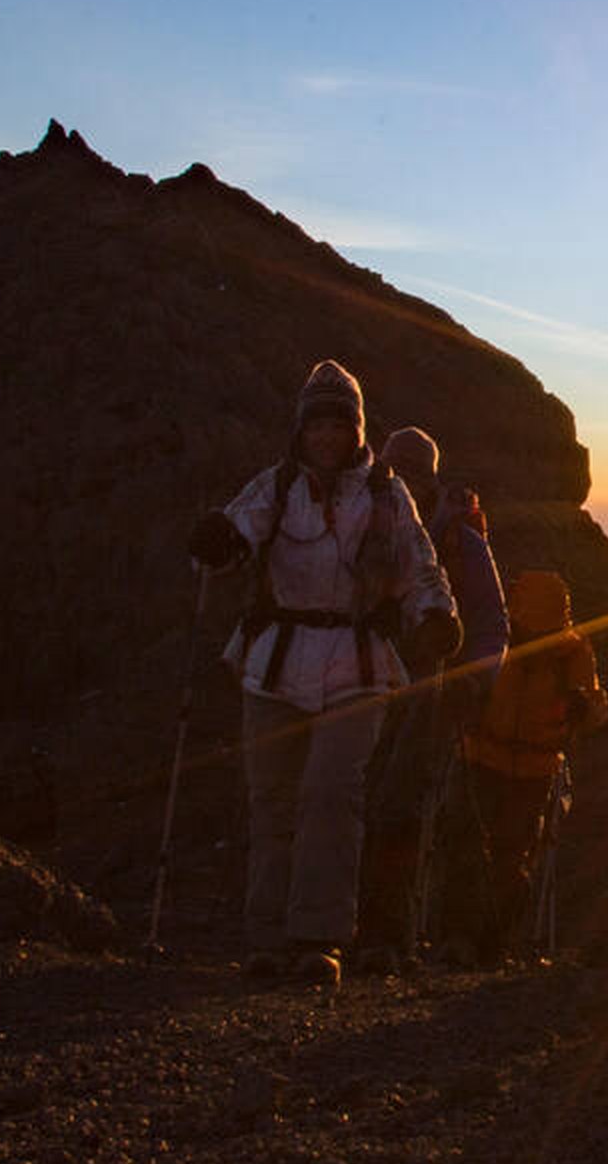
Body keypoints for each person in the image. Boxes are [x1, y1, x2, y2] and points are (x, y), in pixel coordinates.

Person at [187, 360, 459, 984]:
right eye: (318, 426)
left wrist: (436, 616)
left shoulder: (387, 494)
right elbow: (239, 530)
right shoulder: (275, 488)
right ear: (301, 431)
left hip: (354, 665)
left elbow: (421, 567)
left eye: (339, 425)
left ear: (356, 430)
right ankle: (267, 940)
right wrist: (220, 541)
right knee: (275, 799)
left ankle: (319, 938)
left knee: (331, 797)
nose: (328, 437)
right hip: (279, 663)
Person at [350, 425, 508, 974]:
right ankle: (357, 931)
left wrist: (472, 680)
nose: (405, 480)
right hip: (363, 684)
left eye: (415, 471)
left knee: (399, 810)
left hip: (431, 693)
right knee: (361, 804)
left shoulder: (460, 542)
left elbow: (490, 623)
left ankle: (384, 939)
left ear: (431, 478)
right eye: (397, 469)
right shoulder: (367, 520)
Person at [442, 569, 604, 964]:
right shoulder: (560, 651)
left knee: (496, 854)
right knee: (492, 853)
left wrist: (585, 708)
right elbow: (596, 711)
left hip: (517, 764)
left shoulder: (520, 644)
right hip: (501, 759)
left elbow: (596, 709)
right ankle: (476, 941)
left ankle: (483, 942)